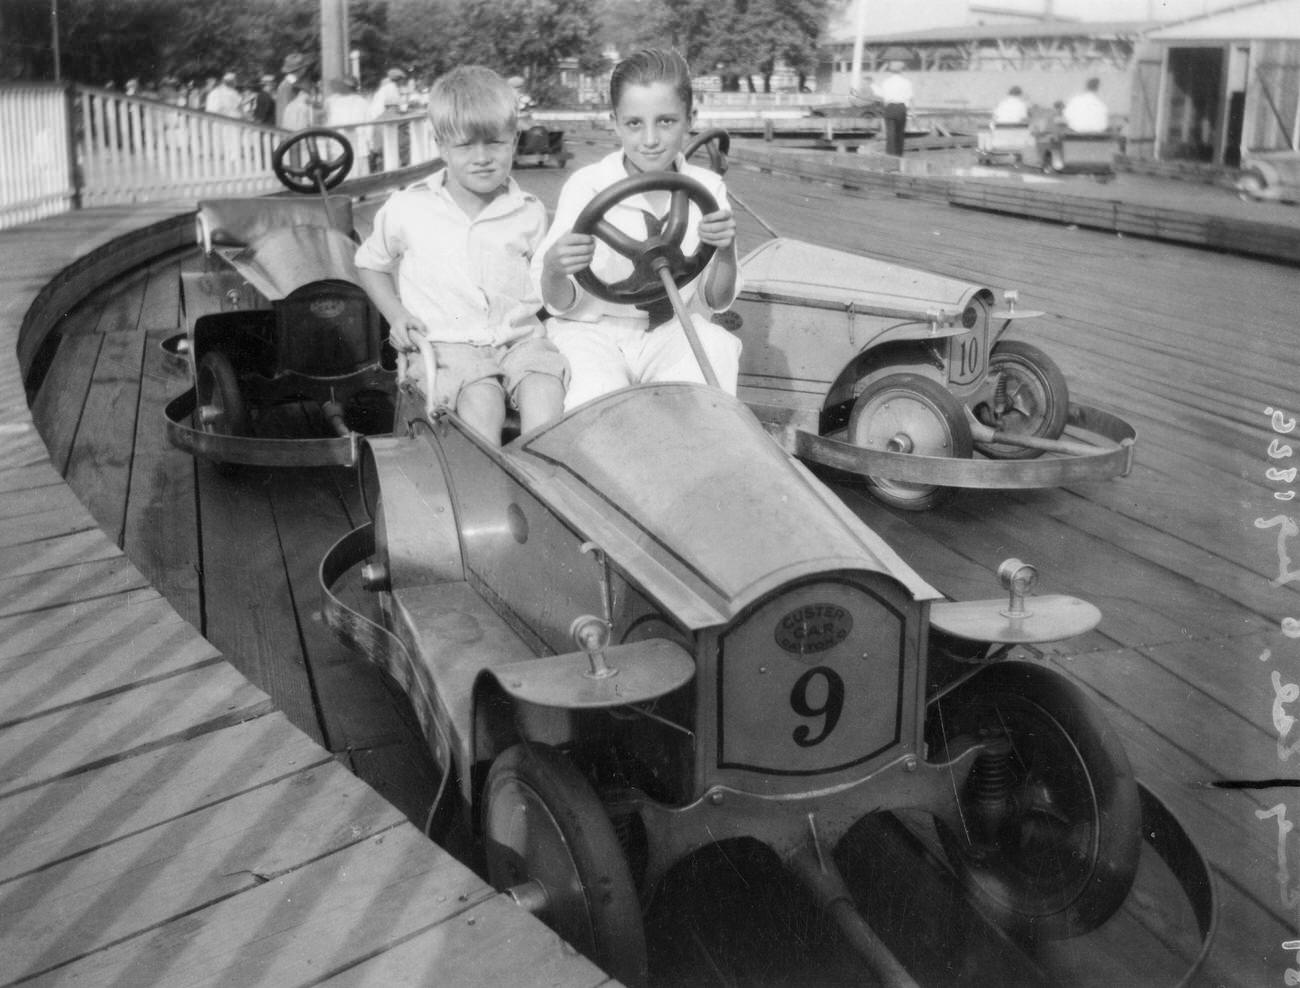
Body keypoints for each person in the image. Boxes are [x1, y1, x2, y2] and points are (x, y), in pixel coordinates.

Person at [354, 65, 566, 444]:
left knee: (545, 389)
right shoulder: (409, 207)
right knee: (483, 401)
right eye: (465, 145)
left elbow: (545, 285)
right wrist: (397, 314)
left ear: (514, 142)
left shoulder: (530, 211)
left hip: (517, 340)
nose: (482, 157)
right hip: (447, 346)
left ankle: (538, 483)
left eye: (495, 143)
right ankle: (481, 493)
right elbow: (370, 264)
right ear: (441, 146)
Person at [533, 47, 741, 412]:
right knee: (598, 397)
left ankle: (700, 457)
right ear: (614, 122)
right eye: (634, 123)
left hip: (672, 328)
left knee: (717, 350)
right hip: (593, 331)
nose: (650, 139)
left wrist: (724, 249)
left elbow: (717, 300)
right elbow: (558, 301)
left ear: (690, 118)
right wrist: (554, 266)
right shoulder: (588, 186)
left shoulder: (708, 188)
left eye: (666, 121)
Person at [873, 61, 912, 157]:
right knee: (900, 133)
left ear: (890, 71)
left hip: (890, 107)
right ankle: (899, 155)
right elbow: (910, 97)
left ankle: (890, 157)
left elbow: (881, 95)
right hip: (901, 107)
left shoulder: (886, 82)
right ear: (901, 71)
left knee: (890, 133)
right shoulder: (906, 82)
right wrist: (910, 110)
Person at [277, 53, 308, 127]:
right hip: (291, 129)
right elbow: (284, 111)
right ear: (301, 69)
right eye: (304, 67)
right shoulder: (288, 85)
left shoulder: (292, 84)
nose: (306, 69)